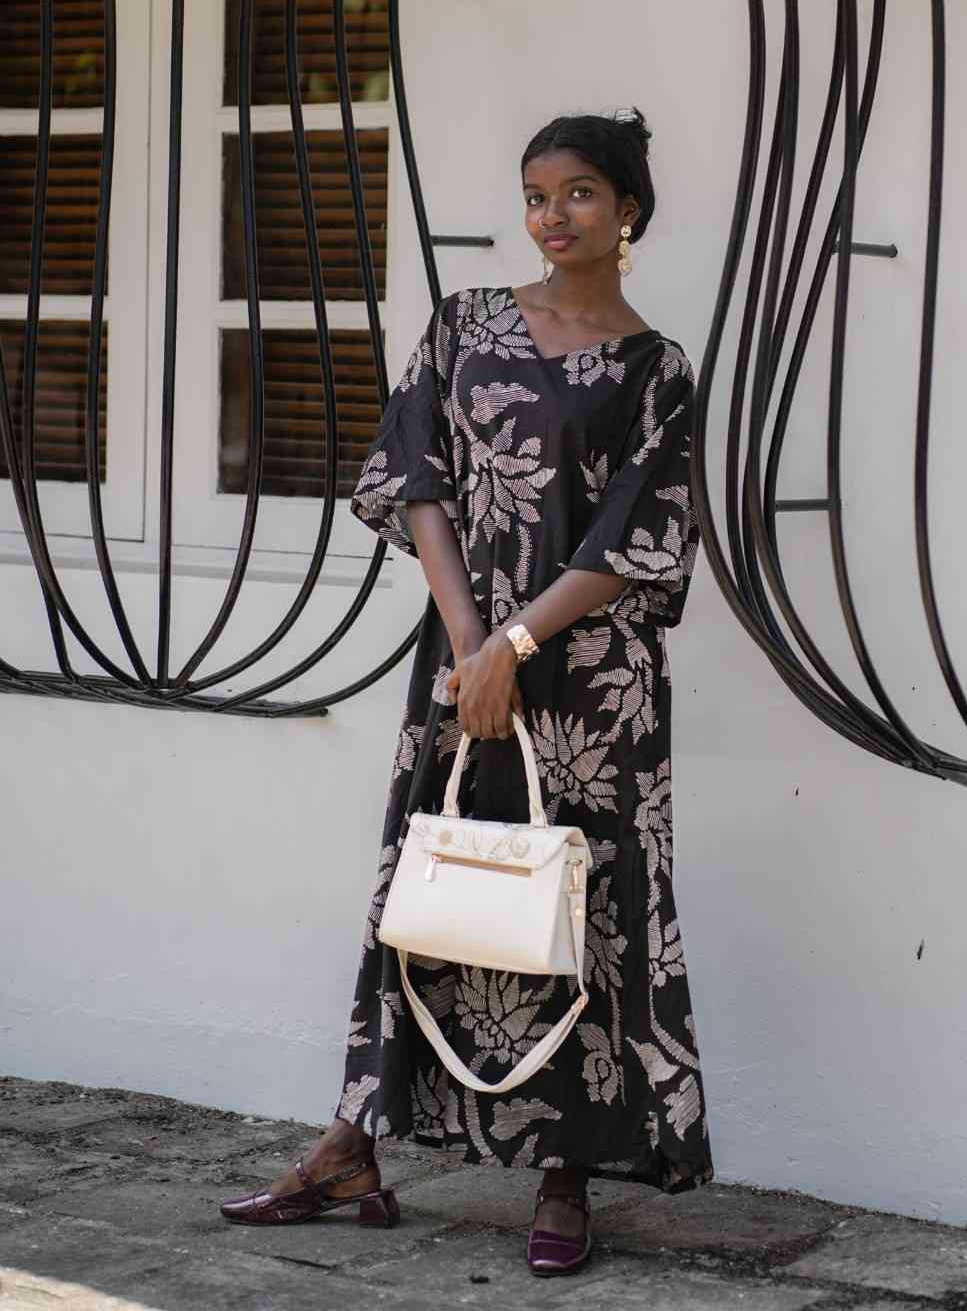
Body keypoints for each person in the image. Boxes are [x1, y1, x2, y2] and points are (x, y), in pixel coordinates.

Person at [220, 108, 714, 1274]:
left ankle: (565, 1172)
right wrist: (470, 642)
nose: (552, 214)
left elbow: (635, 534)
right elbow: (417, 478)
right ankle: (350, 1144)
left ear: (627, 208)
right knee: (428, 885)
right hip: (462, 656)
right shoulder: (465, 323)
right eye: (536, 193)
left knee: (584, 913)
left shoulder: (656, 370)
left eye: (578, 191)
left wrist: (514, 645)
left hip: (592, 688)